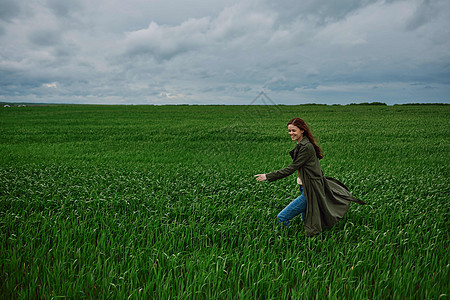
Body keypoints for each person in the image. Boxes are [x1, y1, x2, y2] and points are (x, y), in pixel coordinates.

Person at [254, 118, 365, 237]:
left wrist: (267, 176)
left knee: (282, 217)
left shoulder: (306, 147)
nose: (290, 133)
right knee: (305, 221)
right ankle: (303, 239)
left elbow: (292, 168)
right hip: (305, 187)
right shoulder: (303, 144)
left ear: (302, 130)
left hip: (310, 189)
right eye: (289, 131)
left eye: (293, 130)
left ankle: (292, 239)